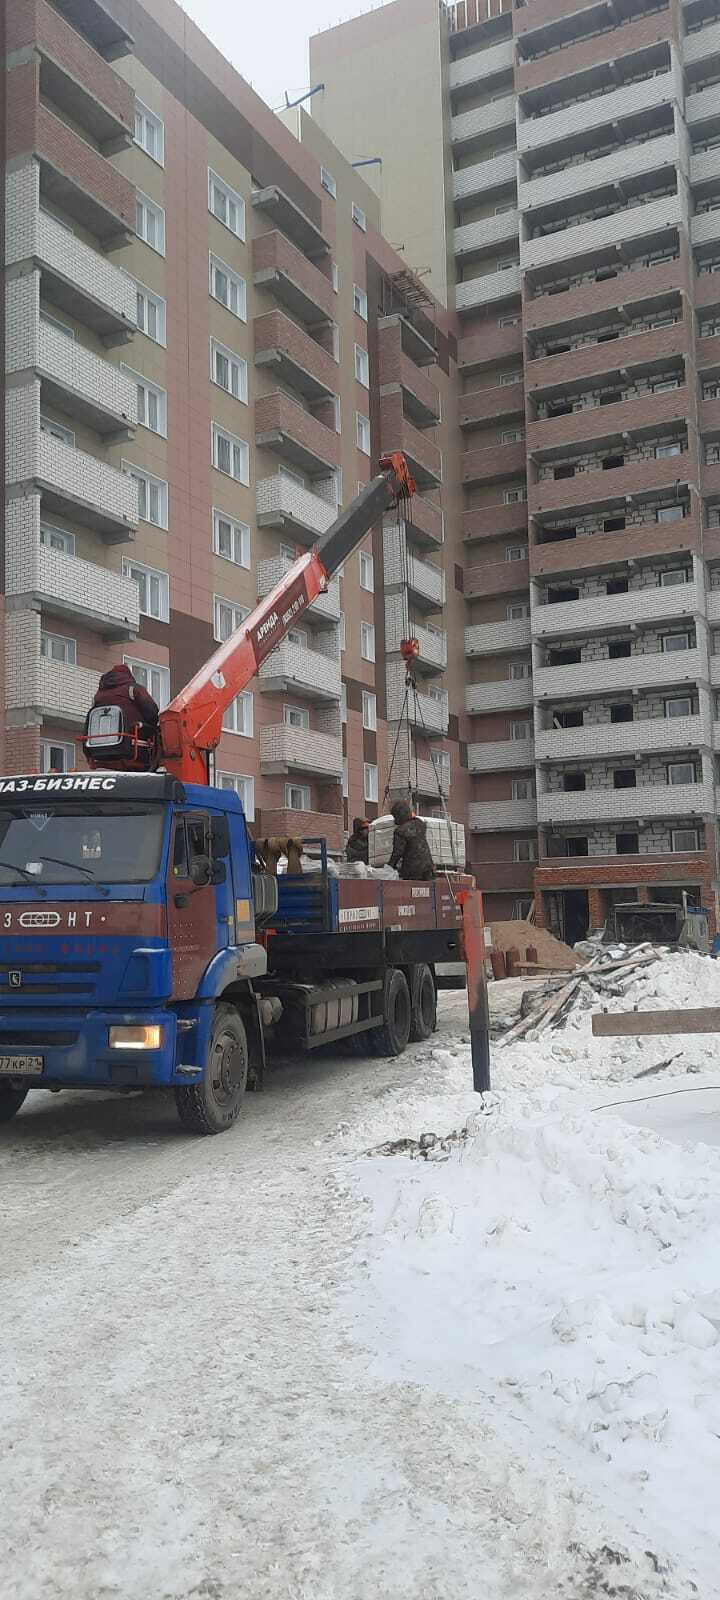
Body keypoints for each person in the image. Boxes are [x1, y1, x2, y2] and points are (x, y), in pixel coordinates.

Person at [84, 663, 160, 768]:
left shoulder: (98, 695)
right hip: (132, 747)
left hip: (98, 750)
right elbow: (152, 712)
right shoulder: (133, 689)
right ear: (129, 676)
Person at [388, 799, 434, 881]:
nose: (394, 820)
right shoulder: (420, 824)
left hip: (412, 870)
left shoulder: (400, 831)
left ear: (399, 815)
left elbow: (397, 853)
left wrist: (389, 867)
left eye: (395, 816)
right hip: (428, 868)